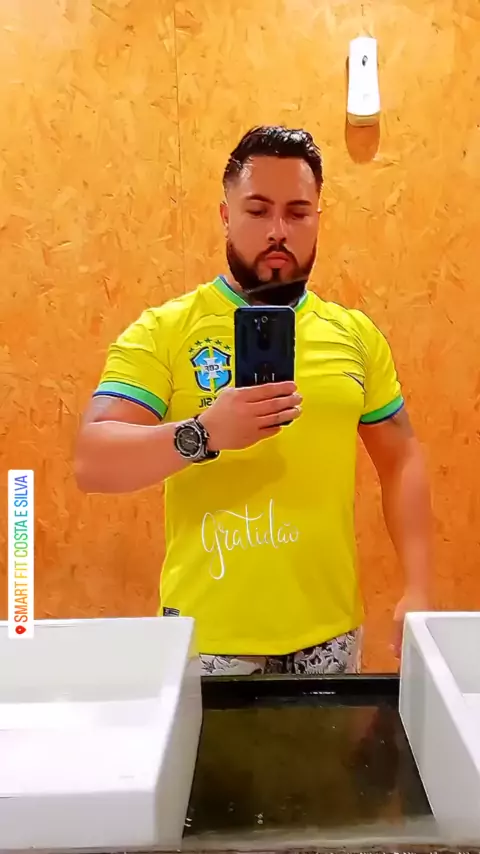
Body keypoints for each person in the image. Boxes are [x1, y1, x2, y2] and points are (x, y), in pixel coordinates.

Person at [74, 125, 432, 676]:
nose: (278, 231)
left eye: (298, 212)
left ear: (318, 218)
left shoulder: (355, 336)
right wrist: (203, 434)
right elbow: (92, 460)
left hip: (328, 639)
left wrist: (420, 586)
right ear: (226, 215)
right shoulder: (165, 330)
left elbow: (401, 457)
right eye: (258, 210)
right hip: (208, 641)